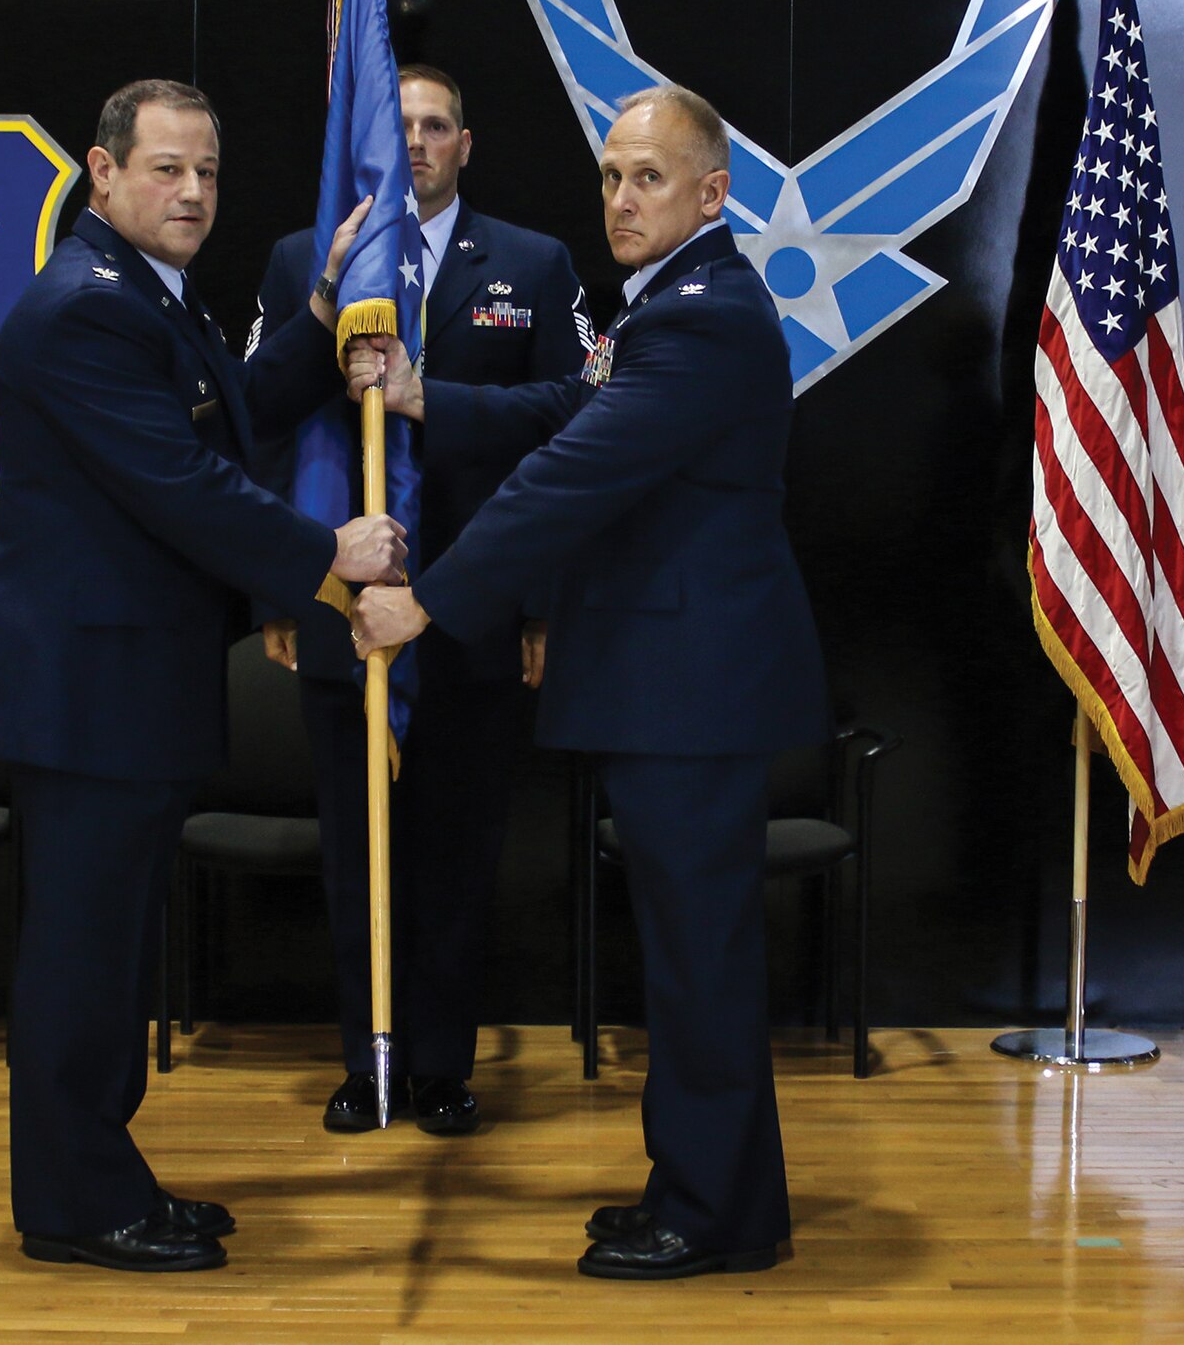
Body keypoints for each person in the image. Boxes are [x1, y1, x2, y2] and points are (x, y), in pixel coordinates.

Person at [346, 85, 829, 1280]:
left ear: (711, 194)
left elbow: (570, 471)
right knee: (681, 949)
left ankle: (714, 1214)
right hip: (669, 678)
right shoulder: (672, 302)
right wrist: (423, 396)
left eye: (647, 178)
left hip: (692, 683)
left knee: (699, 955)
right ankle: (701, 1184)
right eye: (610, 174)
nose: (619, 197)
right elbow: (571, 401)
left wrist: (430, 599)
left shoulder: (702, 316)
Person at [0, 79, 406, 1274]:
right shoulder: (82, 310)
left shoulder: (153, 299)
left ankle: (100, 1173)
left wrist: (320, 308)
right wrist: (329, 556)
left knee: (110, 952)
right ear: (99, 174)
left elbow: (240, 411)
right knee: (82, 957)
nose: (193, 192)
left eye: (206, 170)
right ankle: (74, 1203)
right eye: (165, 168)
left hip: (128, 689)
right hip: (88, 694)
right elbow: (181, 482)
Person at [251, 64, 592, 1135]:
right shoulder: (306, 258)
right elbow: (266, 428)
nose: (415, 145)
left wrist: (535, 601)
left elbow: (571, 420)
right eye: (395, 128)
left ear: (465, 142)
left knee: (457, 847)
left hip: (475, 605)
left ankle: (441, 1063)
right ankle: (368, 1060)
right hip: (341, 601)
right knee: (356, 847)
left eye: (434, 125)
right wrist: (277, 584)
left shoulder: (531, 263)